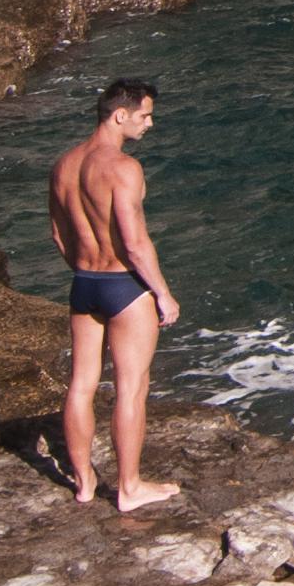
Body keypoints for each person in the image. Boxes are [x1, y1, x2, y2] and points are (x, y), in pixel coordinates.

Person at [48, 76, 182, 511]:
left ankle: (84, 481)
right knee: (131, 388)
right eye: (145, 116)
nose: (149, 124)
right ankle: (128, 488)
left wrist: (85, 270)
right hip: (124, 286)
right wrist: (162, 294)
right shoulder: (124, 168)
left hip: (84, 283)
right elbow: (134, 243)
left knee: (81, 384)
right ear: (120, 115)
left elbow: (57, 234)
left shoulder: (64, 165)